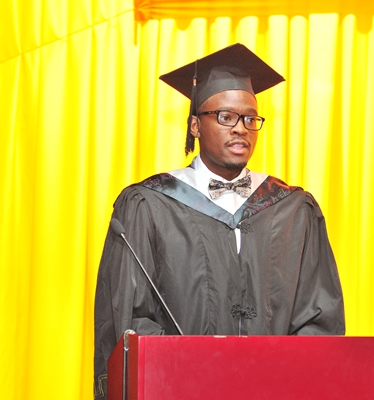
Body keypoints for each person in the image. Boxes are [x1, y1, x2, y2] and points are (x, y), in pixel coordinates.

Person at [93, 43, 345, 399]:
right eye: (226, 117)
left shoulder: (294, 210)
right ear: (195, 125)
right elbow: (129, 320)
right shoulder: (148, 205)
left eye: (250, 119)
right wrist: (196, 375)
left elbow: (319, 319)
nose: (241, 128)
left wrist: (278, 379)